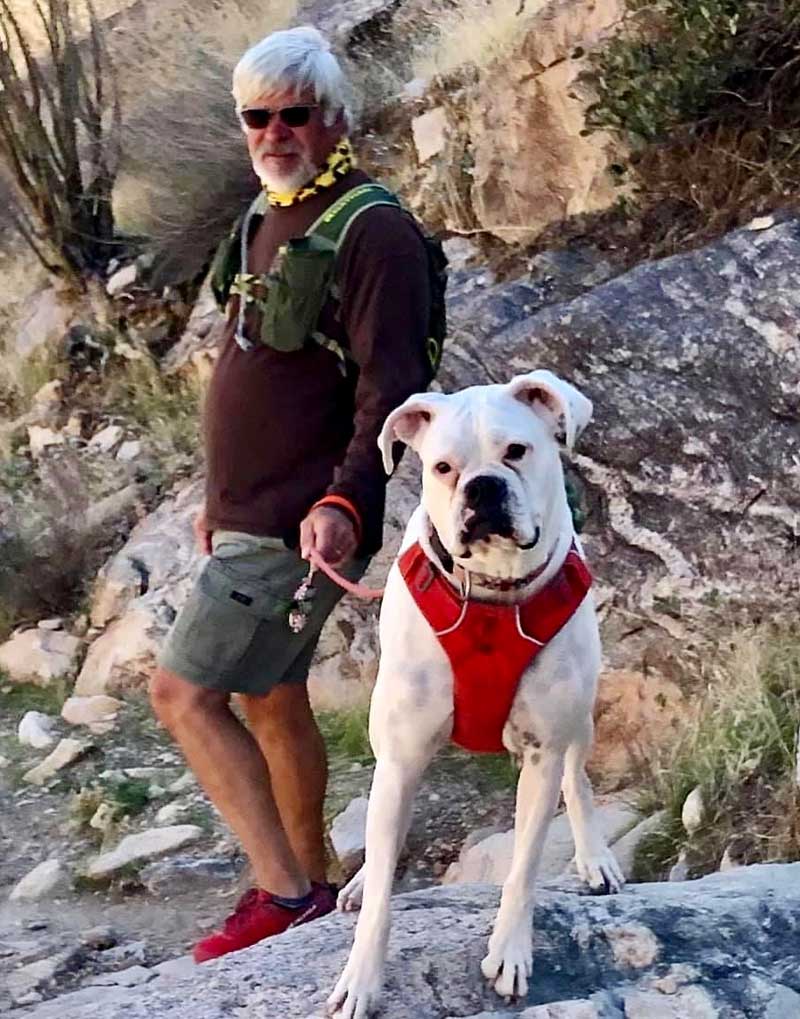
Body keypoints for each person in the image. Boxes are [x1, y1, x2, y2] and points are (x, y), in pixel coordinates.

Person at [148, 25, 432, 963]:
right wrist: (214, 492)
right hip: (246, 508)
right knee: (271, 693)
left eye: (294, 115)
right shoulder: (264, 216)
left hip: (295, 521)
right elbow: (248, 368)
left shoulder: (373, 229)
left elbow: (390, 388)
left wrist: (349, 502)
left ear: (336, 119)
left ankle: (283, 889)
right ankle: (307, 878)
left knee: (183, 697)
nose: (274, 132)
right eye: (256, 117)